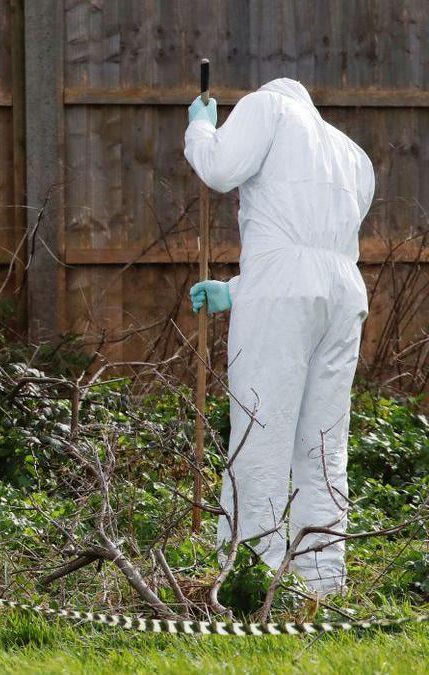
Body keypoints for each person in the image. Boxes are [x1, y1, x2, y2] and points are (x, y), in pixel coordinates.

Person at [185, 79, 374, 595]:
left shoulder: (266, 108)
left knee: (260, 434)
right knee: (323, 447)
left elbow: (220, 169)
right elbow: (316, 250)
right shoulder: (350, 152)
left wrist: (201, 127)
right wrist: (237, 291)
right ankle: (322, 586)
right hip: (344, 298)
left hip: (286, 298)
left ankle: (250, 583)